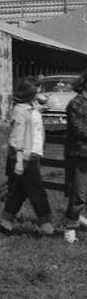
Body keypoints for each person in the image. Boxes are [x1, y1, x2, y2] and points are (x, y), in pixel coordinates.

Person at [0, 76, 55, 236]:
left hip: (31, 155)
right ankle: (47, 227)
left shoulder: (29, 107)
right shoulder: (21, 110)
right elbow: (16, 137)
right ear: (30, 92)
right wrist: (19, 160)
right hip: (24, 158)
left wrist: (42, 104)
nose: (41, 92)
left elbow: (39, 108)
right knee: (38, 192)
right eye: (38, 90)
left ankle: (5, 222)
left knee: (20, 191)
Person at [62, 72, 87, 243]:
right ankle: (70, 228)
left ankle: (77, 219)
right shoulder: (75, 103)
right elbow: (79, 130)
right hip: (79, 154)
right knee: (78, 194)